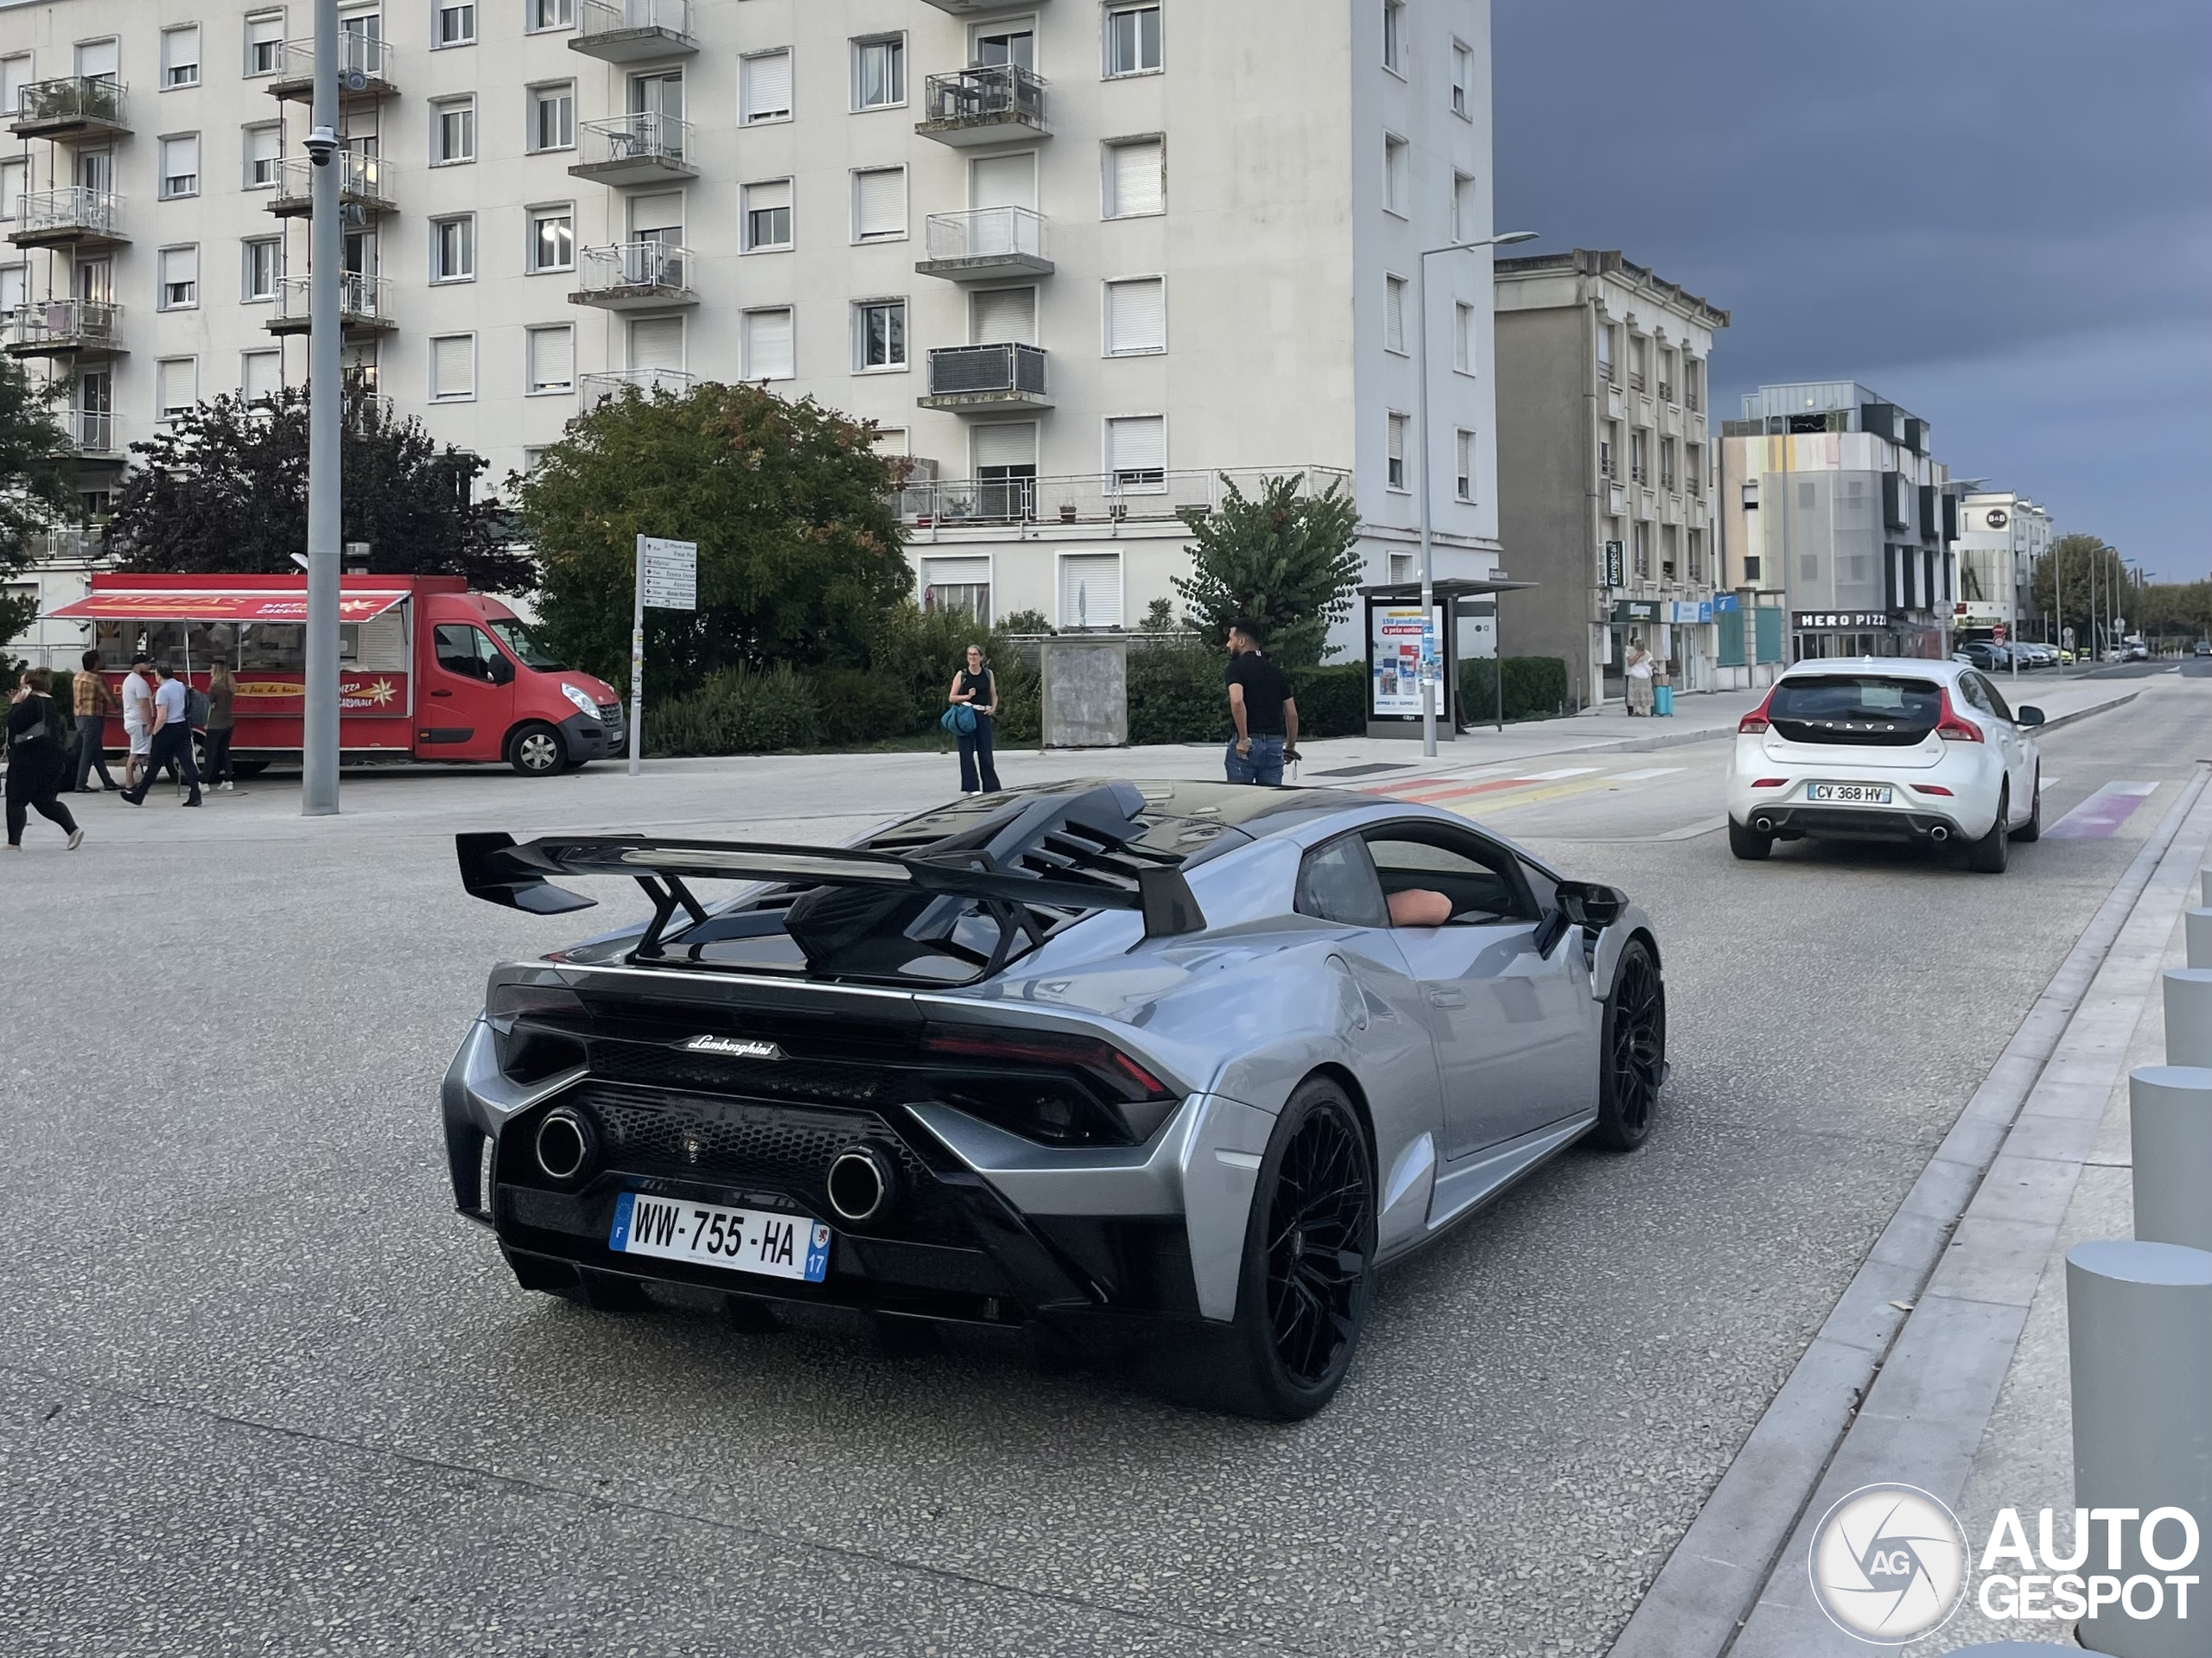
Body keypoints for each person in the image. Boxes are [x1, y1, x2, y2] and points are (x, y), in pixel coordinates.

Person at [7, 668, 83, 850]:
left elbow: (15, 723)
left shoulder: (32, 702)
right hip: (53, 759)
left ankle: (13, 843)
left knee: (15, 799)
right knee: (45, 800)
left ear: (29, 686)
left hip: (29, 759)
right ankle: (72, 830)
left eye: (22, 686)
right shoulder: (49, 702)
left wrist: (16, 704)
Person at [1224, 623, 1300, 786]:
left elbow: (1237, 701)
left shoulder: (1235, 669)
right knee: (1269, 802)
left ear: (1241, 641)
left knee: (1239, 801)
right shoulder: (1276, 671)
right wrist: (1290, 747)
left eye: (1231, 640)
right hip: (1274, 745)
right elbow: (1291, 713)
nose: (1228, 645)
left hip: (1248, 743)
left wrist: (1243, 739)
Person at [121, 661, 201, 809]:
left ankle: (139, 795)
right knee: (187, 761)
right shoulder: (180, 686)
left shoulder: (163, 691)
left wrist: (155, 731)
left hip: (167, 728)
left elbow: (162, 716)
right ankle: (195, 793)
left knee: (155, 764)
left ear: (158, 675)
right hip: (182, 726)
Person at [947, 644, 1001, 795]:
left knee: (986, 753)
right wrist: (967, 697)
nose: (972, 657)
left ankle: (991, 787)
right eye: (969, 654)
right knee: (966, 753)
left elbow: (993, 694)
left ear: (981, 657)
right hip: (966, 716)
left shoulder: (988, 674)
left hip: (983, 715)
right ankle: (972, 787)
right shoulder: (962, 674)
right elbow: (952, 697)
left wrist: (993, 708)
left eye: (975, 654)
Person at [72, 649, 118, 792]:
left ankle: (108, 781)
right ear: (95, 663)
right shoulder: (96, 679)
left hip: (79, 716)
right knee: (88, 752)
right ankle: (80, 784)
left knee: (96, 751)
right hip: (93, 717)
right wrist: (119, 707)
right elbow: (109, 697)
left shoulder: (77, 677)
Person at [119, 653, 155, 790]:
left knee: (140, 752)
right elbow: (143, 705)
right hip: (139, 722)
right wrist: (149, 723)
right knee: (136, 753)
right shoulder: (139, 682)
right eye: (146, 664)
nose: (149, 666)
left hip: (133, 720)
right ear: (138, 666)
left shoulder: (129, 680)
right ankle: (129, 783)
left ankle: (136, 781)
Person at [202, 661, 237, 791]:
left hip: (215, 724)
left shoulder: (215, 688)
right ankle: (228, 780)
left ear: (217, 672)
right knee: (224, 751)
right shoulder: (229, 687)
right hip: (228, 722)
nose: (210, 671)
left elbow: (207, 703)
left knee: (210, 754)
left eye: (212, 669)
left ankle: (204, 781)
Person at [1624, 638, 1655, 716]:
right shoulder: (1629, 652)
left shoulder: (1646, 653)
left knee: (1644, 693)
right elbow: (1630, 663)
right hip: (1635, 675)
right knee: (1635, 694)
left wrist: (1655, 666)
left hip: (1645, 676)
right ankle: (1636, 710)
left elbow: (1651, 661)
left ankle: (1644, 710)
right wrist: (1638, 656)